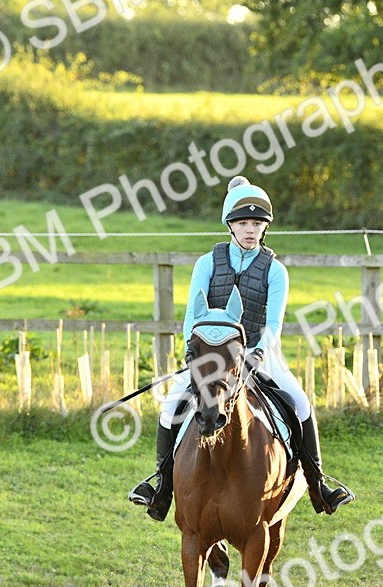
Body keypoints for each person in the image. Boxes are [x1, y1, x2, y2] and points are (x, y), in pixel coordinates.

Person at [129, 176, 355, 522]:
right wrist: (193, 354)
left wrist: (257, 354)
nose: (251, 230)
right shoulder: (207, 263)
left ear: (265, 228)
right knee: (170, 406)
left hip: (259, 354)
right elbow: (191, 317)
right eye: (243, 223)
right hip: (210, 355)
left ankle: (318, 485)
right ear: (230, 225)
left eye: (257, 224)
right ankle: (161, 489)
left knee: (300, 404)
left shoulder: (275, 271)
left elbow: (273, 324)